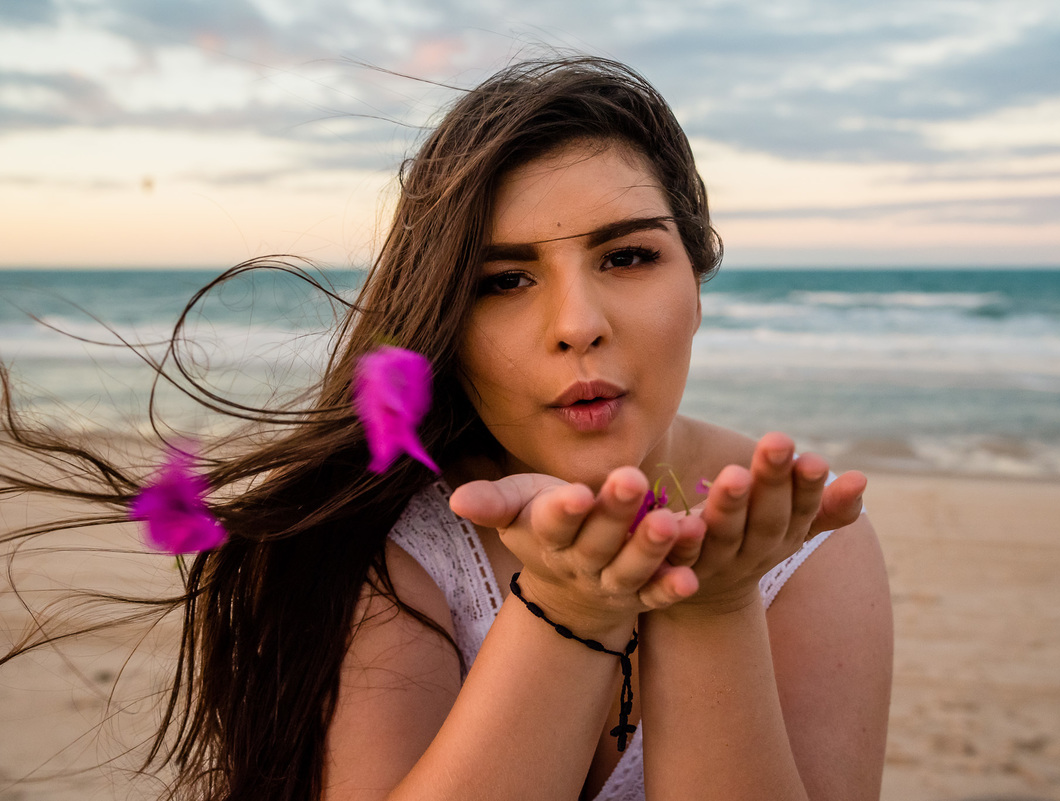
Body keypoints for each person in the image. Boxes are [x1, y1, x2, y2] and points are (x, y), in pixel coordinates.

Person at [0, 57, 892, 800]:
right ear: (447, 325)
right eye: (504, 279)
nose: (576, 323)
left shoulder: (802, 540)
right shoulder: (386, 544)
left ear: (696, 281)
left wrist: (715, 607)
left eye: (627, 256)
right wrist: (568, 610)